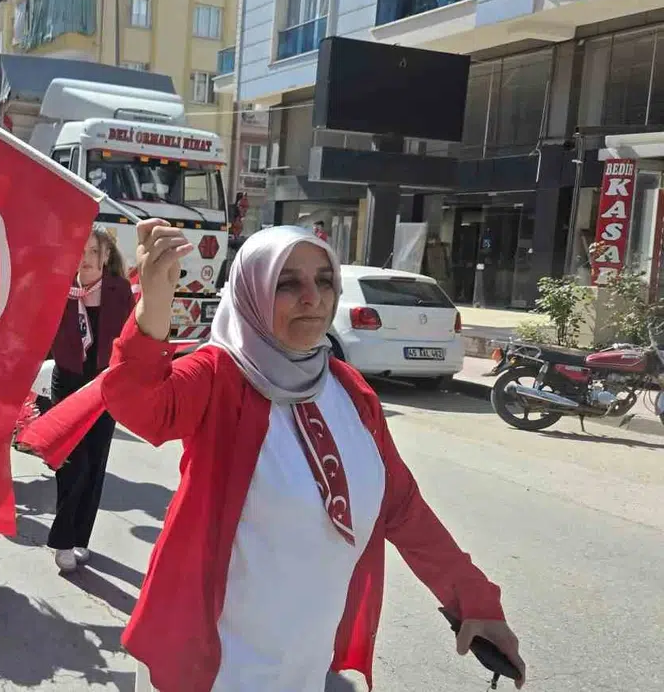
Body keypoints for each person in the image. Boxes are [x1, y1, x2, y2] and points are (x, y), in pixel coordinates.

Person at [105, 220, 525, 691]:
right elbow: (141, 404)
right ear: (252, 292)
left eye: (324, 280)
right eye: (288, 283)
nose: (313, 297)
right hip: (212, 660)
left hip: (304, 662)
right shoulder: (220, 375)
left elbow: (402, 508)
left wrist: (476, 603)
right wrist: (155, 305)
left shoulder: (348, 388)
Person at [46, 228, 133, 572]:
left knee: (95, 464)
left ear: (106, 256)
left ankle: (80, 537)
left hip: (103, 386)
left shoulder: (119, 291)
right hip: (67, 384)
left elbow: (132, 336)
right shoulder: (59, 289)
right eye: (79, 251)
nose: (85, 258)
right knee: (73, 463)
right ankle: (62, 540)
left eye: (93, 251)